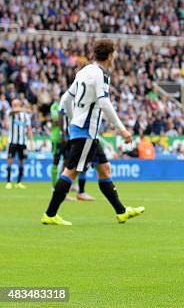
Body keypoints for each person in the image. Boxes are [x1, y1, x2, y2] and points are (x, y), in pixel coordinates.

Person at [41, 39, 144, 225]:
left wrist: (73, 120)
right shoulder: (101, 74)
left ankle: (121, 212)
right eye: (115, 53)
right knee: (71, 172)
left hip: (85, 132)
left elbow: (65, 99)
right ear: (110, 55)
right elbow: (104, 103)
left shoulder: (84, 71)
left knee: (104, 169)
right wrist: (122, 129)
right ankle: (50, 214)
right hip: (87, 132)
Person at [5, 99, 34, 189]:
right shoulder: (9, 112)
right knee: (10, 160)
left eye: (17, 104)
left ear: (20, 104)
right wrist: (24, 109)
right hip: (12, 141)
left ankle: (19, 182)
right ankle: (9, 181)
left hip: (22, 142)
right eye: (14, 104)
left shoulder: (25, 116)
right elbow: (13, 111)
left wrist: (31, 141)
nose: (15, 106)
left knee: (22, 161)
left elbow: (29, 129)